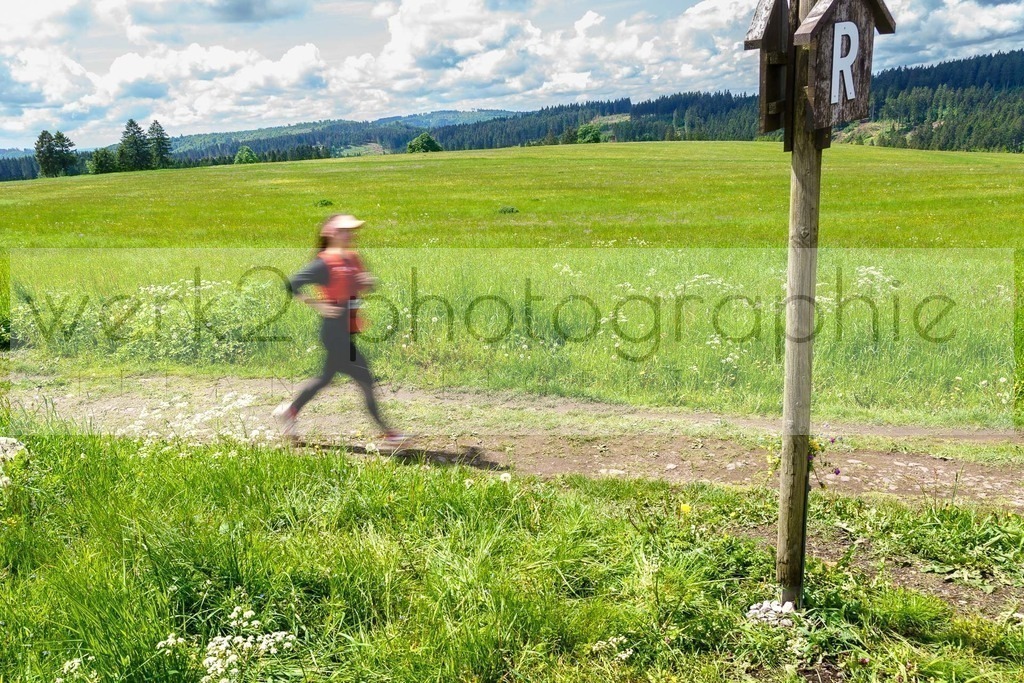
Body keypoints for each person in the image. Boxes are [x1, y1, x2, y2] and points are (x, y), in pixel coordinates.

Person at [273, 213, 407, 447]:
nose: (351, 235)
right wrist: (318, 305)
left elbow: (362, 286)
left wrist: (366, 282)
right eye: (345, 231)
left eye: (352, 230)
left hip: (347, 329)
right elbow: (292, 284)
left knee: (325, 378)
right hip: (334, 331)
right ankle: (389, 434)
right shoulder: (323, 262)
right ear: (331, 234)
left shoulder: (352, 258)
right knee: (365, 378)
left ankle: (290, 412)